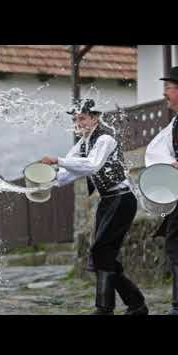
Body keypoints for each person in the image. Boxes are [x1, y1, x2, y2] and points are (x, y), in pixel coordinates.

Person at [40, 98, 148, 315]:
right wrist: (47, 181)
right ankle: (136, 305)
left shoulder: (105, 138)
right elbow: (68, 172)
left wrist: (57, 160)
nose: (78, 123)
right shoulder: (84, 142)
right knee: (102, 254)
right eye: (75, 119)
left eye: (82, 118)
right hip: (108, 200)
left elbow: (91, 165)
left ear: (95, 117)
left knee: (101, 251)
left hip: (122, 199)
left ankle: (106, 309)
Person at [145, 66, 178, 315]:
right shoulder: (175, 124)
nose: (164, 93)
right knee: (174, 246)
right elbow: (157, 151)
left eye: (169, 87)